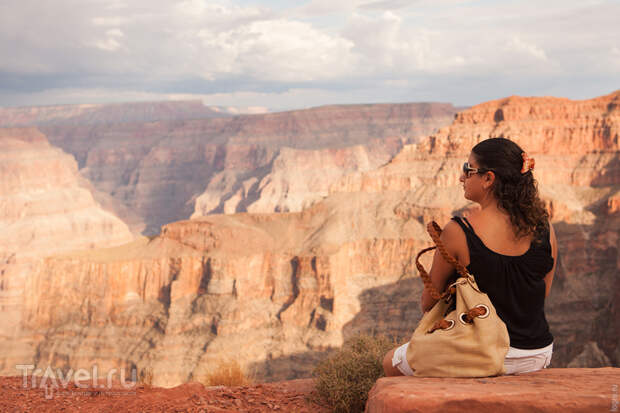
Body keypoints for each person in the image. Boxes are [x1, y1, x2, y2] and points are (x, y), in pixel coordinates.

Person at [383, 137, 558, 377]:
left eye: (468, 170)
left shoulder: (459, 231)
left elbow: (428, 302)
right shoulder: (544, 227)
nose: (461, 177)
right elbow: (541, 292)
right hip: (537, 353)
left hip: (485, 352)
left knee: (390, 362)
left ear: (488, 179)